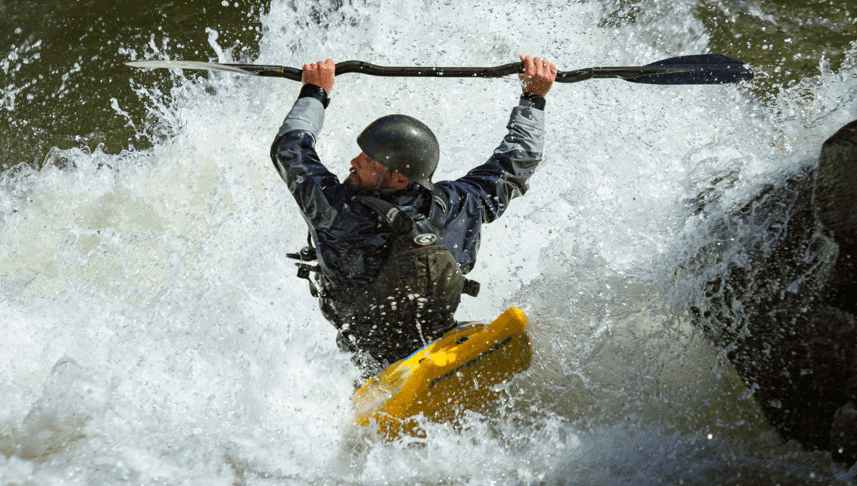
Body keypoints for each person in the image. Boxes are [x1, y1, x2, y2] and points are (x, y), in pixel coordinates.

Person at [270, 55, 556, 374]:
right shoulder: (460, 203)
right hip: (438, 340)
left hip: (371, 365)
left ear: (398, 179)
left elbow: (289, 149)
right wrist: (534, 97)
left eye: (370, 161)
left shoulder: (338, 212)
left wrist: (315, 93)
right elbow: (516, 163)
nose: (354, 161)